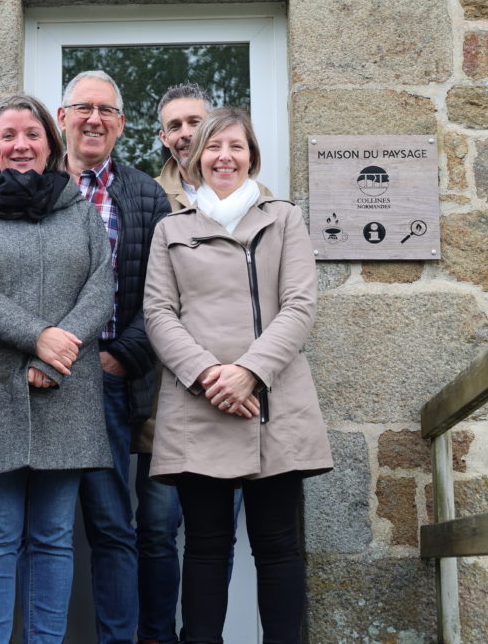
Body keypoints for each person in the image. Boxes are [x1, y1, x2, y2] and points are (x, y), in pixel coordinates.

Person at [143, 107, 334, 644]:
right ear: (196, 159)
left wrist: (249, 372)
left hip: (274, 406)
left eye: (236, 146)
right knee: (204, 547)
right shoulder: (171, 229)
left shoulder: (285, 218)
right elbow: (158, 313)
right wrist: (210, 375)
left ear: (252, 156)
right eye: (213, 147)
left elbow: (299, 306)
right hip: (199, 406)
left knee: (278, 547)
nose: (224, 156)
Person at [0, 93, 114, 643]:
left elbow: (100, 289)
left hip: (67, 391)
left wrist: (55, 360)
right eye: (9, 135)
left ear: (50, 144)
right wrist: (37, 338)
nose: (21, 145)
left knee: (55, 535)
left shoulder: (81, 213)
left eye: (32, 135)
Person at [137, 83, 270, 644]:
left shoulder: (258, 200)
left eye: (196, 121)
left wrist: (246, 374)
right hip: (170, 391)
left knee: (224, 533)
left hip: (245, 395)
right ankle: (159, 636)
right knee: (158, 529)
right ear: (163, 139)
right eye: (174, 126)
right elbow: (150, 302)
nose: (187, 134)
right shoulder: (149, 199)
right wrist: (203, 373)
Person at [57, 70, 170, 643]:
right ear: (63, 118)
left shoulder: (147, 195)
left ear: (122, 125)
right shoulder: (32, 184)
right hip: (40, 376)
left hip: (105, 379)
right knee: (36, 526)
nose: (94, 119)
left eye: (106, 111)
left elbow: (166, 297)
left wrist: (120, 358)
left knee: (111, 525)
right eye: (83, 108)